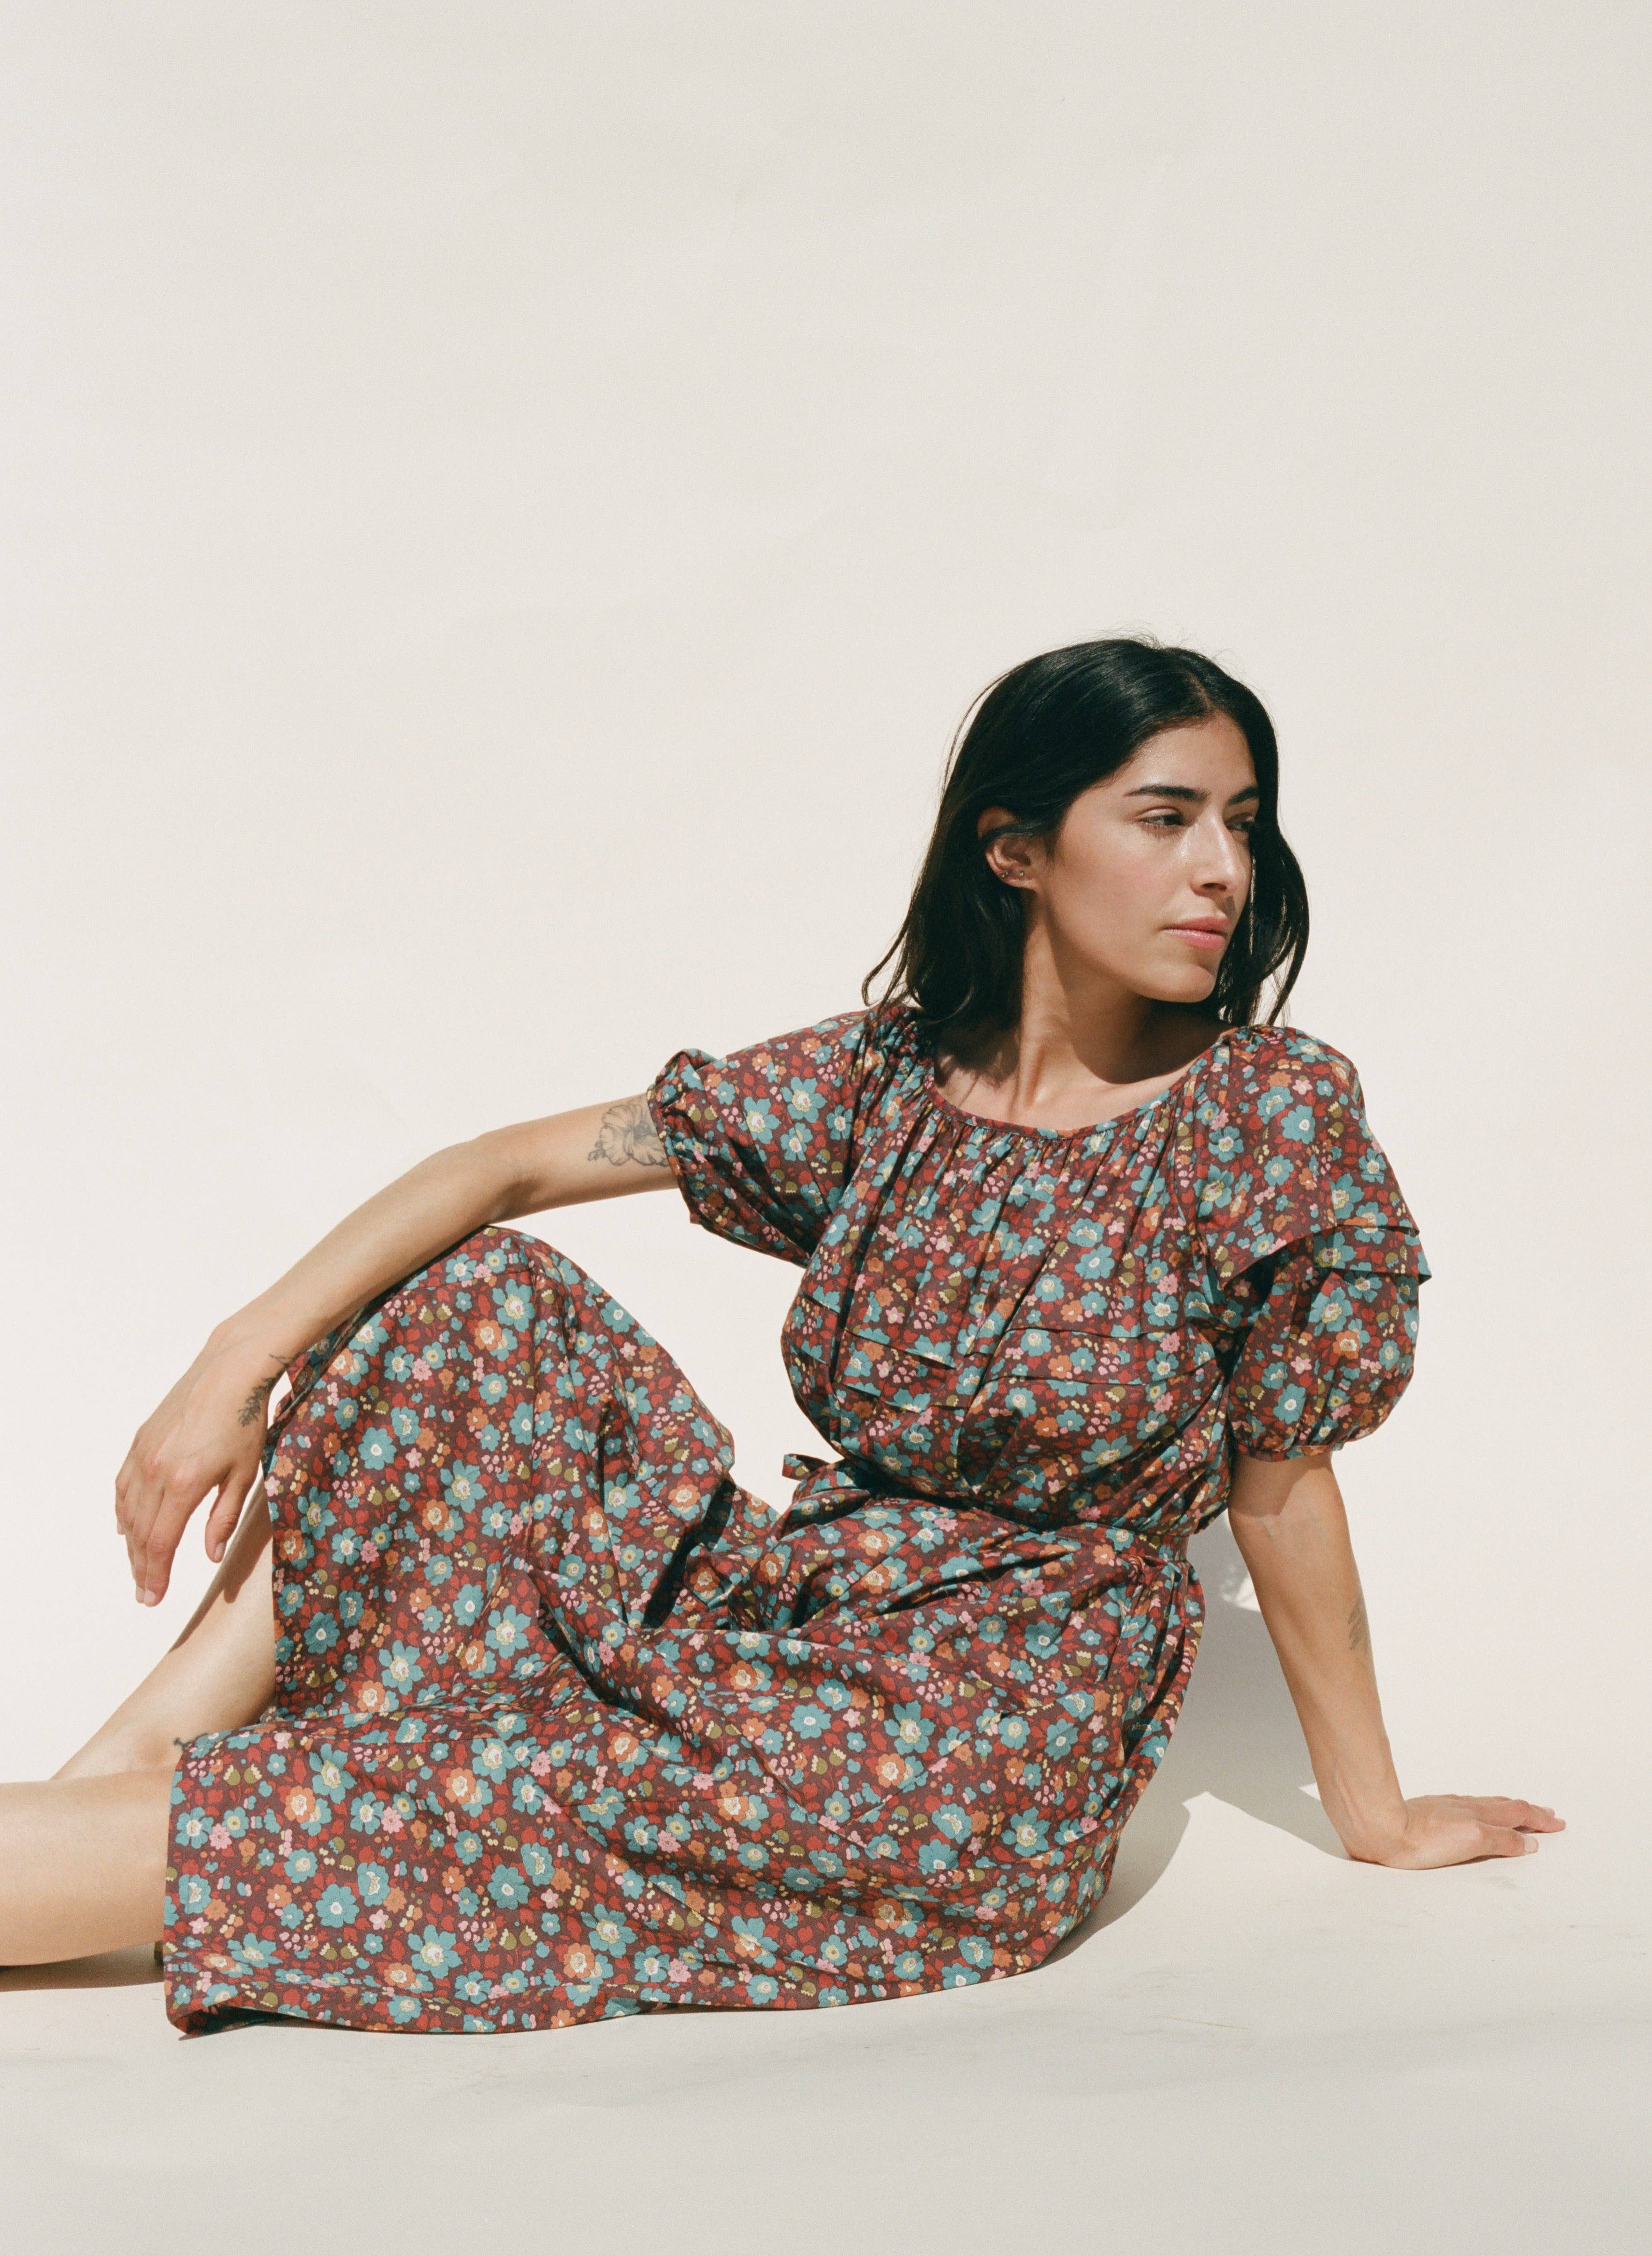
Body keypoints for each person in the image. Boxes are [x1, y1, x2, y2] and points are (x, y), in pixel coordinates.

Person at [1, 638, 1561, 2033]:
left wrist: (1374, 1813)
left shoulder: (1268, 1114)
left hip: (969, 1727)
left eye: (1243, 823)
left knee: (535, 1784)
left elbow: (1282, 1489)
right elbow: (505, 1167)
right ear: (1015, 848)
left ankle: (94, 1848)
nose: (1222, 868)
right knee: (480, 1299)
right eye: (1167, 818)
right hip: (796, 1612)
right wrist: (233, 1361)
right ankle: (123, 1777)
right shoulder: (892, 1083)